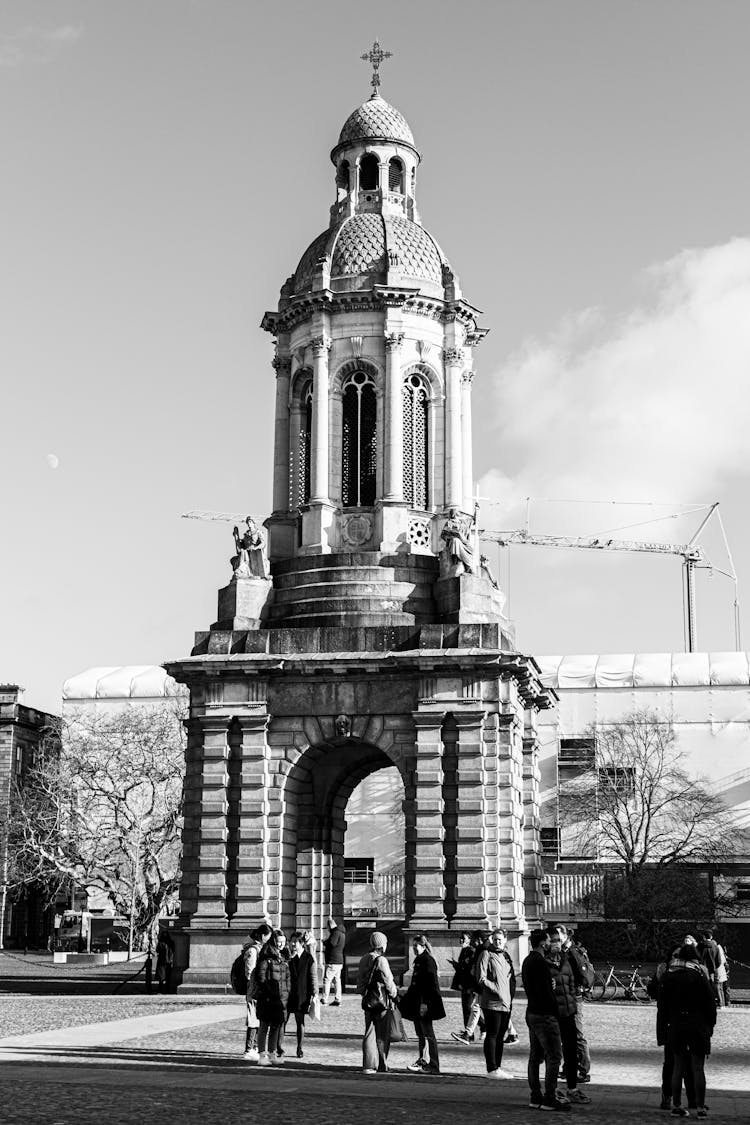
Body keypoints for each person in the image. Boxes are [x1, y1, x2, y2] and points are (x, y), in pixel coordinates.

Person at [658, 943, 717, 1118]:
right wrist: (710, 1026)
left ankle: (676, 1104)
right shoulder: (698, 975)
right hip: (697, 1024)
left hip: (676, 1024)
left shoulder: (669, 976)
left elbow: (662, 1006)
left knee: (678, 1066)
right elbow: (710, 1004)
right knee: (698, 1067)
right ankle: (700, 1107)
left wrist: (664, 1028)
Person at [522, 929, 568, 1112]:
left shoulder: (527, 960)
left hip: (532, 1011)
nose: (551, 943)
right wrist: (556, 1012)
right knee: (554, 1056)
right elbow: (546, 992)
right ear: (542, 943)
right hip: (544, 1014)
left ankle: (535, 1096)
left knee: (535, 1057)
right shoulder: (540, 962)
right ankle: (549, 1097)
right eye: (548, 940)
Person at [545, 934, 591, 1104]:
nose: (556, 945)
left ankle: (572, 1088)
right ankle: (553, 1090)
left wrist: (571, 1005)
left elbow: (572, 983)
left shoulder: (566, 960)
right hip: (552, 1013)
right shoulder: (543, 963)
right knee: (553, 1053)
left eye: (558, 941)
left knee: (571, 1052)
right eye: (553, 942)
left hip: (568, 1012)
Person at [399, 934, 445, 1075]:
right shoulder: (420, 960)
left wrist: (425, 1004)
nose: (413, 949)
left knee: (428, 1034)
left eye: (416, 946)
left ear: (423, 946)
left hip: (425, 1003)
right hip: (417, 1002)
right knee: (421, 1033)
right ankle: (423, 1060)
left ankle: (434, 1064)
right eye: (413, 946)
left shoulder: (427, 960)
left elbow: (431, 985)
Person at [475, 929, 516, 1079]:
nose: (498, 942)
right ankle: (491, 1068)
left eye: (500, 939)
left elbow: (510, 978)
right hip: (492, 1001)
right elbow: (480, 977)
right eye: (495, 939)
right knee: (492, 1034)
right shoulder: (486, 954)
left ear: (505, 940)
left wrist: (510, 996)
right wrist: (496, 989)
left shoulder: (505, 955)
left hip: (506, 1002)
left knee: (500, 1036)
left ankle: (497, 1067)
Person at [357, 930, 398, 1074]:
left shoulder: (363, 959)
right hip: (381, 1002)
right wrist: (394, 994)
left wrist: (364, 994)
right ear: (381, 945)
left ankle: (368, 1064)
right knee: (382, 1034)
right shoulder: (381, 960)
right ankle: (382, 1064)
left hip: (368, 1000)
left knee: (369, 1032)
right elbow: (388, 981)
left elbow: (360, 982)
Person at [255, 929, 291, 1066]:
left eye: (283, 941)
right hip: (268, 998)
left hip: (281, 998)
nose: (281, 944)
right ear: (274, 941)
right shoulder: (266, 957)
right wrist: (270, 993)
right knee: (264, 1026)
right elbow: (261, 978)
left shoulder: (284, 956)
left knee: (276, 1026)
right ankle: (262, 1055)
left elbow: (287, 978)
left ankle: (272, 1053)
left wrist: (286, 993)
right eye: (279, 941)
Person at [241, 922, 272, 1062]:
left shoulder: (259, 948)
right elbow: (250, 972)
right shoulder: (253, 950)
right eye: (268, 936)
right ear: (262, 935)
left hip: (259, 990)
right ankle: (249, 1048)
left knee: (257, 1020)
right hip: (254, 990)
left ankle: (253, 1047)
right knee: (253, 1019)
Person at [287, 930, 319, 1059]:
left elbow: (313, 976)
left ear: (301, 943)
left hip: (301, 994)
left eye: (295, 942)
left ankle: (299, 1047)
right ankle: (278, 1047)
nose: (292, 944)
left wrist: (315, 993)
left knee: (300, 1022)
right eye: (291, 941)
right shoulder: (287, 957)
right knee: (282, 1021)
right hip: (287, 994)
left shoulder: (308, 958)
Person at [450, 932, 481, 1044]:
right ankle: (469, 1033)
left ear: (469, 940)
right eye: (460, 938)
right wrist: (456, 965)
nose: (461, 940)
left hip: (469, 984)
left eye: (463, 938)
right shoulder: (464, 950)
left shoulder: (471, 951)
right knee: (466, 1008)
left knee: (469, 1008)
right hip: (464, 983)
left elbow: (470, 969)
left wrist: (459, 966)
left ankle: (474, 1031)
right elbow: (463, 967)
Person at [322, 916, 345, 1006]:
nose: (327, 929)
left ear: (329, 926)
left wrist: (324, 942)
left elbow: (332, 943)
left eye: (327, 927)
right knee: (337, 981)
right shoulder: (342, 933)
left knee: (327, 980)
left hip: (333, 961)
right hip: (339, 961)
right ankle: (338, 998)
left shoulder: (335, 933)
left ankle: (324, 998)